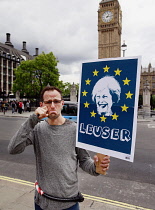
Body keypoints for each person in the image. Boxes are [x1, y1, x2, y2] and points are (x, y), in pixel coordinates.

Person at [8, 86, 110, 210]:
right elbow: (13, 149)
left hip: (69, 203)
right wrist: (32, 120)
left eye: (56, 101)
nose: (52, 105)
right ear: (41, 105)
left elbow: (84, 160)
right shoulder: (37, 129)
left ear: (62, 103)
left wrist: (96, 167)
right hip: (42, 203)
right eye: (48, 102)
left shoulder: (75, 130)